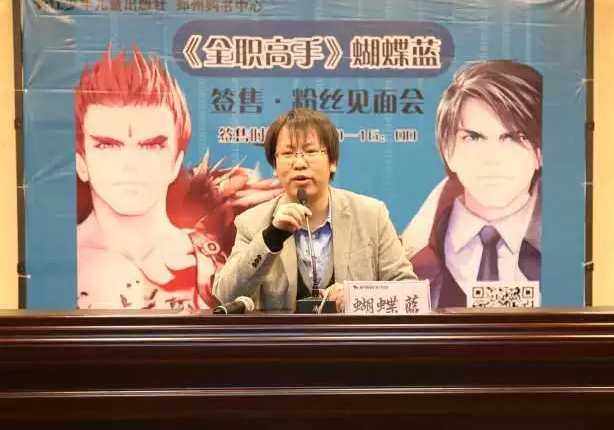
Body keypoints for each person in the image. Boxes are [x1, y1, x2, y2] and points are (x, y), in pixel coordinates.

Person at [75, 45, 282, 311]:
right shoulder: (62, 259)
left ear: (176, 162)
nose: (130, 165)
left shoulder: (217, 260)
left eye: (152, 145)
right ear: (81, 162)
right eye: (107, 145)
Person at [213, 108, 418, 312]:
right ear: (274, 166)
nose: (299, 163)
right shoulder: (252, 222)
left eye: (310, 152)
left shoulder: (372, 216)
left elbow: (409, 292)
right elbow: (225, 296)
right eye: (288, 153)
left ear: (332, 162)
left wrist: (356, 298)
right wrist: (271, 238)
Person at [401, 60, 542, 308]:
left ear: (539, 152)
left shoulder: (567, 251)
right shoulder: (406, 256)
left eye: (513, 137)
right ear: (447, 149)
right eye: (473, 138)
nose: (492, 158)